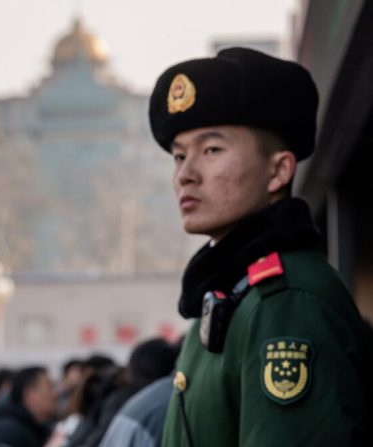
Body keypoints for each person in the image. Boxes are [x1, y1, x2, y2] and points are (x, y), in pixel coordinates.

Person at [147, 47, 373, 446]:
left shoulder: (285, 303)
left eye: (211, 150)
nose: (185, 174)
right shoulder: (230, 294)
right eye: (179, 156)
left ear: (279, 170)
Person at [0, 366, 56, 447]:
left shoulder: (36, 428)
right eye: (50, 387)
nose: (55, 394)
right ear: (29, 394)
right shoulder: (7, 430)